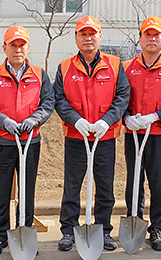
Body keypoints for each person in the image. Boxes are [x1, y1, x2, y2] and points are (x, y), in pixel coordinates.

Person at [0, 25, 55, 257]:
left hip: (30, 141)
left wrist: (34, 119)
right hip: (2, 141)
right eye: (13, 45)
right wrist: (3, 121)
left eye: (22, 45)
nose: (18, 49)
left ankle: (24, 232)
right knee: (1, 192)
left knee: (27, 190)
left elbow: (48, 103)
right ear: (5, 47)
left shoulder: (40, 74)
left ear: (28, 47)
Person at [54, 15, 130, 252]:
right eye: (83, 34)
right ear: (76, 38)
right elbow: (59, 99)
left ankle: (104, 229)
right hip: (76, 137)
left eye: (92, 33)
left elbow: (122, 97)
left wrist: (107, 122)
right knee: (72, 185)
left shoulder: (115, 65)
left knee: (105, 186)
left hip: (104, 138)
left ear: (100, 36)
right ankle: (68, 230)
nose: (88, 38)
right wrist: (76, 121)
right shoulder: (65, 67)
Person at [122, 16, 161, 251]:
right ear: (140, 39)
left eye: (156, 35)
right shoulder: (127, 67)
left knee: (158, 182)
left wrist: (155, 116)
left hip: (160, 133)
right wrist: (126, 116)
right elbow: (119, 98)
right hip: (134, 132)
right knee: (134, 181)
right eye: (147, 34)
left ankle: (157, 228)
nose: (152, 38)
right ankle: (134, 222)